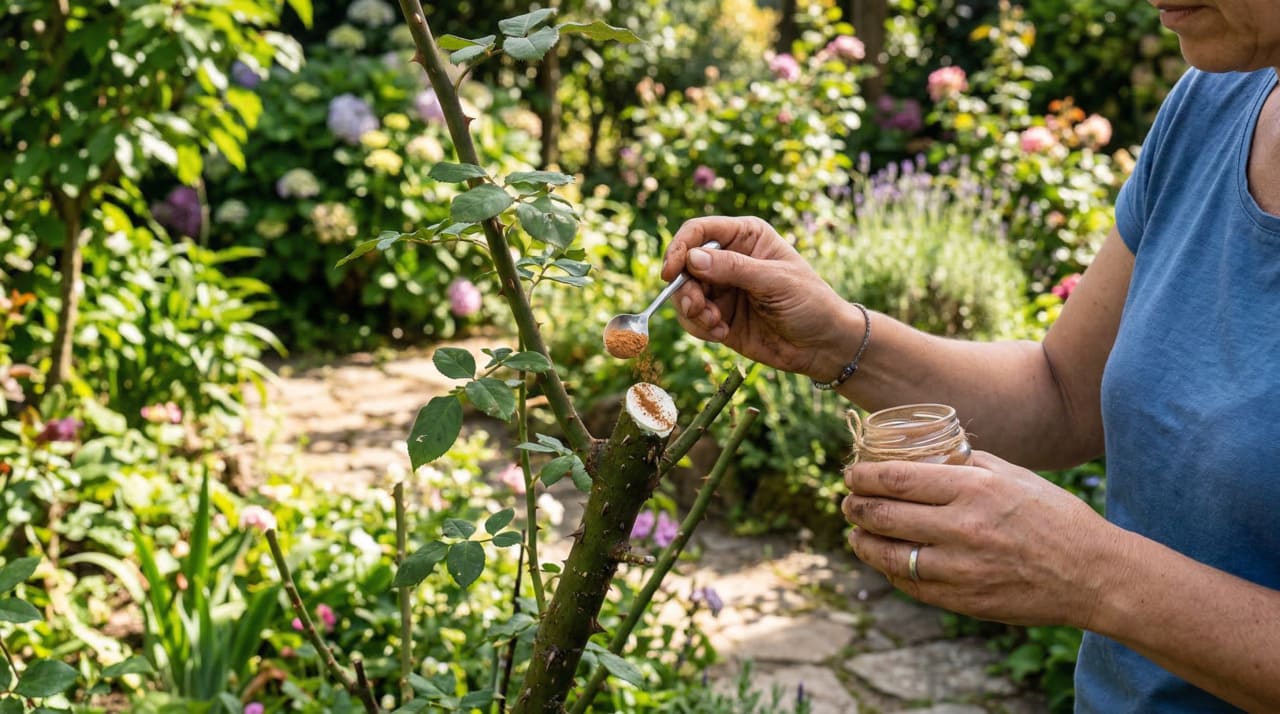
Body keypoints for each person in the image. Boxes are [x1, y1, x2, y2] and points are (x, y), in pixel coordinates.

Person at [660, 2, 1280, 711]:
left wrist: (1093, 574)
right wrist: (834, 337)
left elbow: (1098, 565)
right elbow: (1062, 393)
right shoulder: (1212, 103)